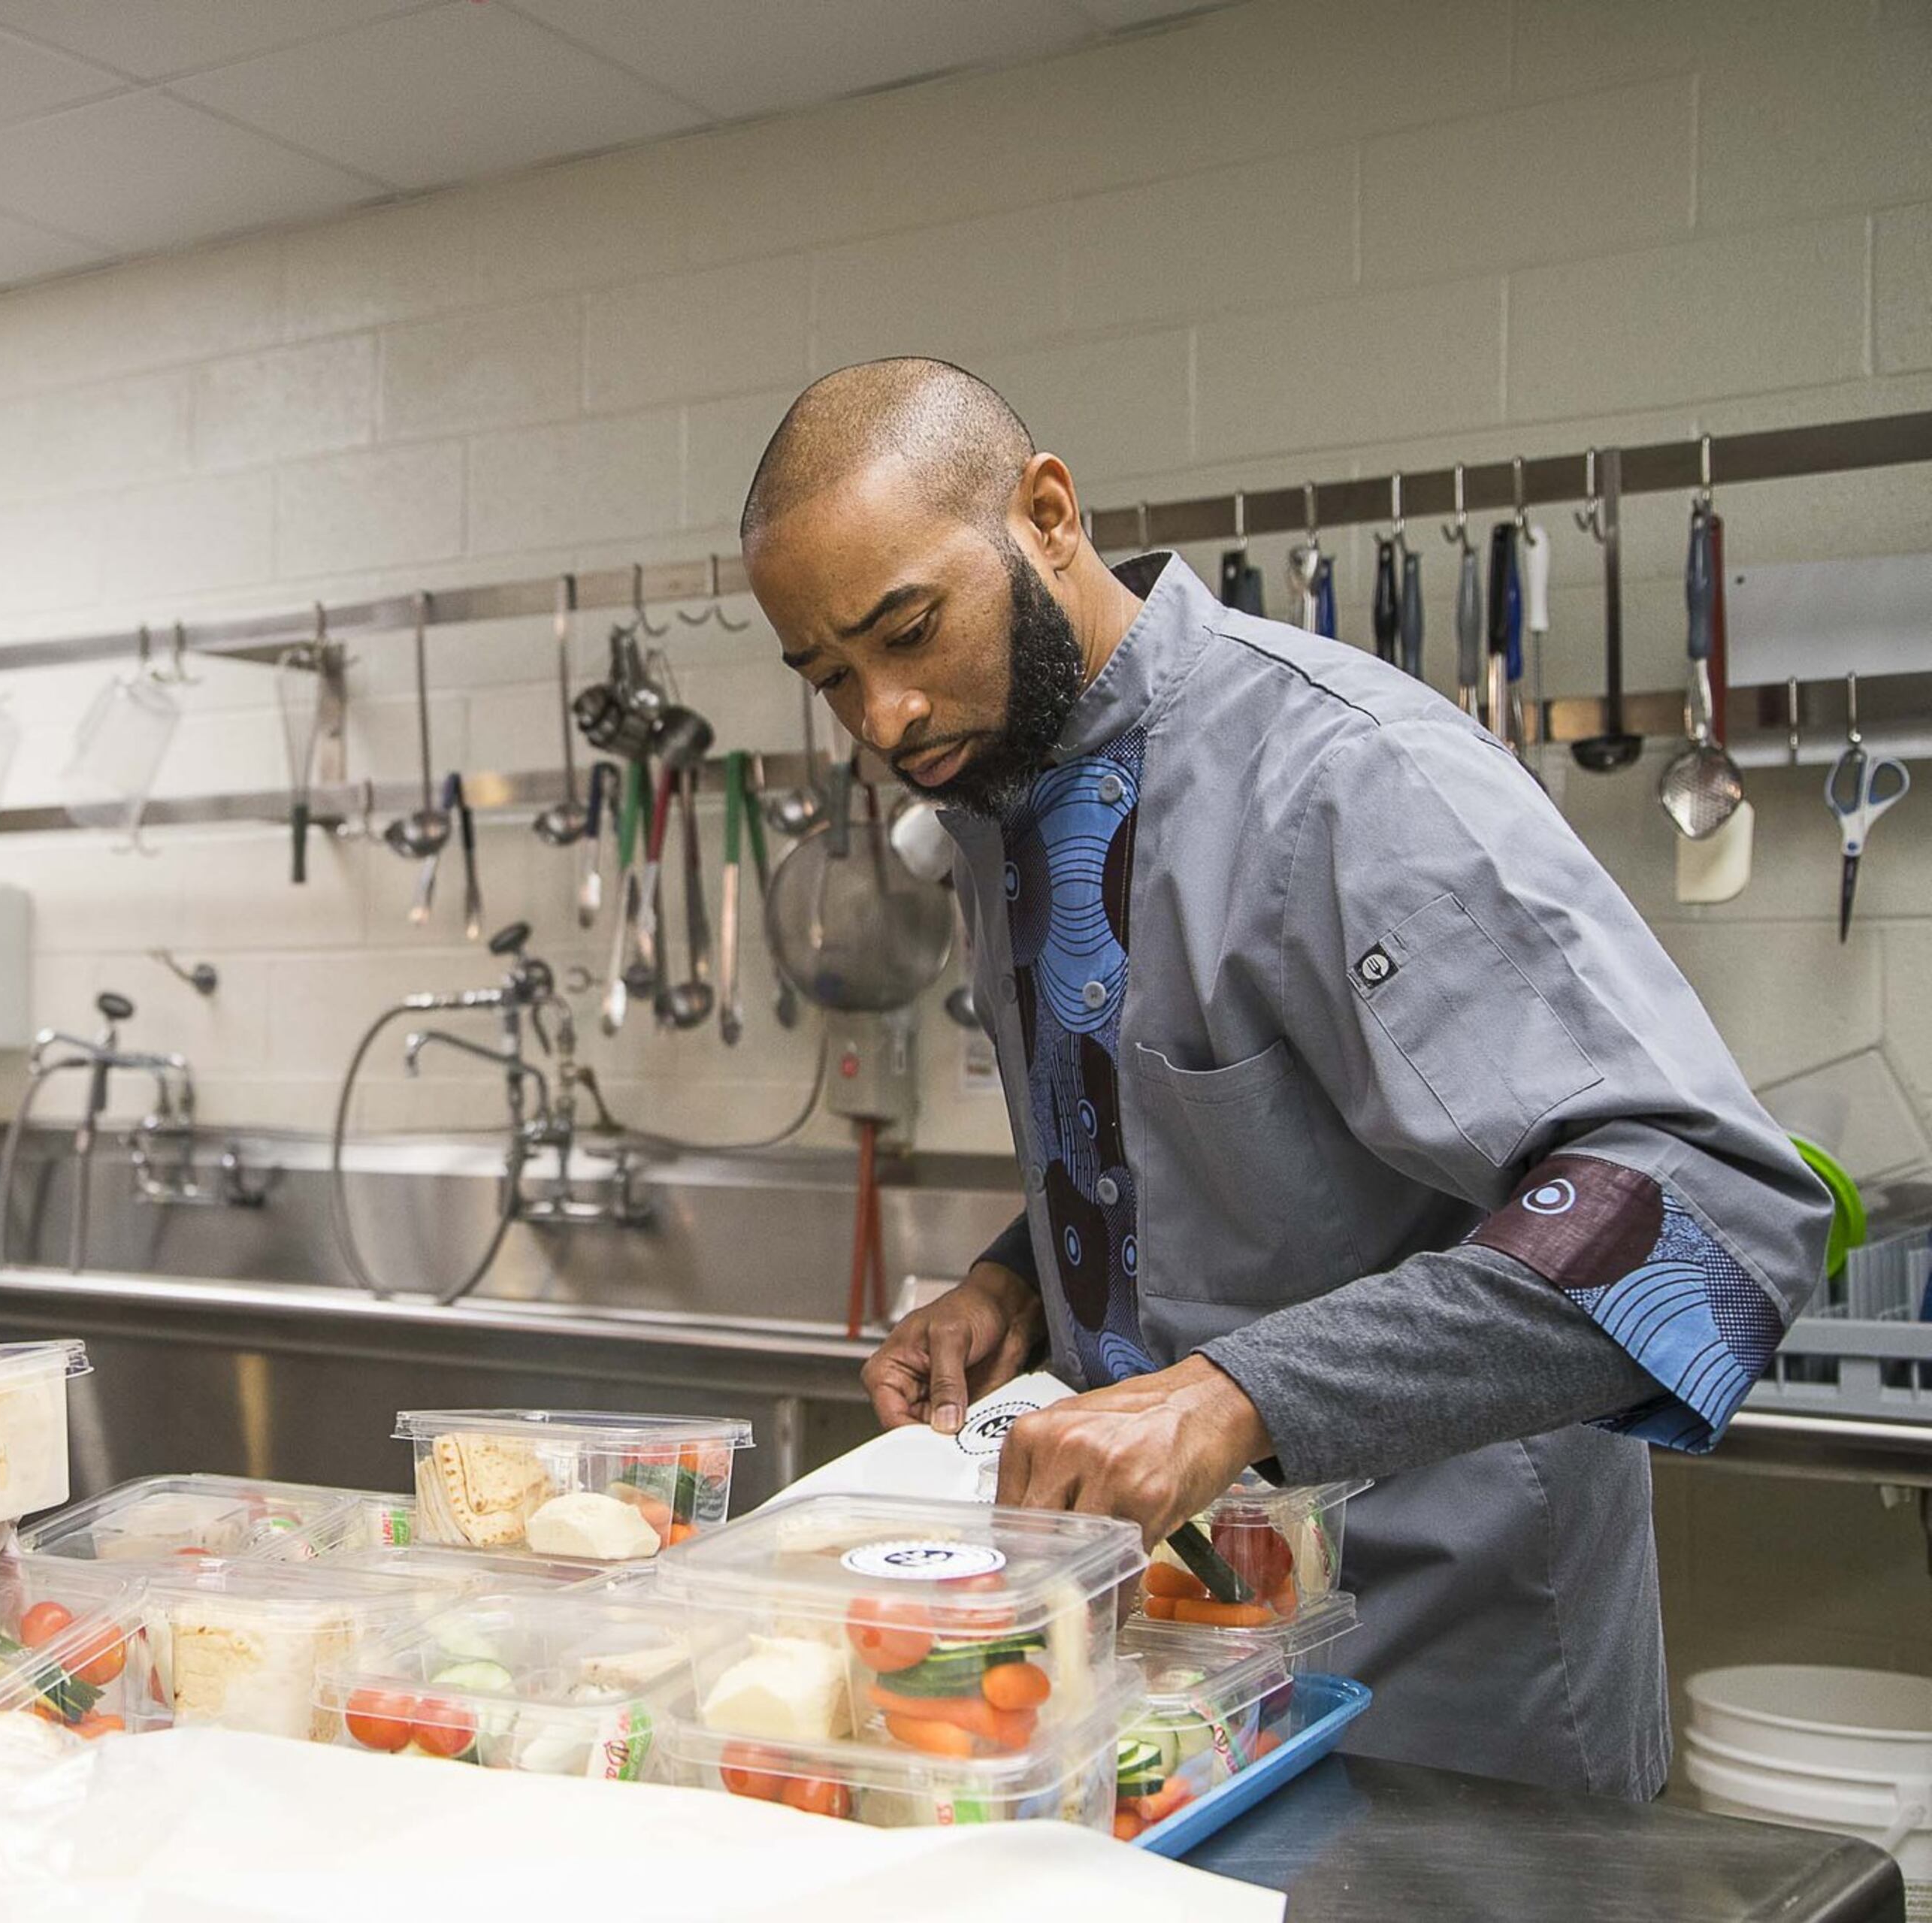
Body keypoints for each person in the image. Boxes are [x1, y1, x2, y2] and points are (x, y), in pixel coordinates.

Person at [741, 358, 1826, 1798]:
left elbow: (1704, 1209)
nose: (883, 717)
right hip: (1181, 1678)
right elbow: (1233, 1142)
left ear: (1048, 514)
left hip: (1441, 1690)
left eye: (910, 631)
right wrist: (1019, 1280)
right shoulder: (1003, 794)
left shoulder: (1341, 773)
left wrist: (1230, 1398)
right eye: (832, 679)